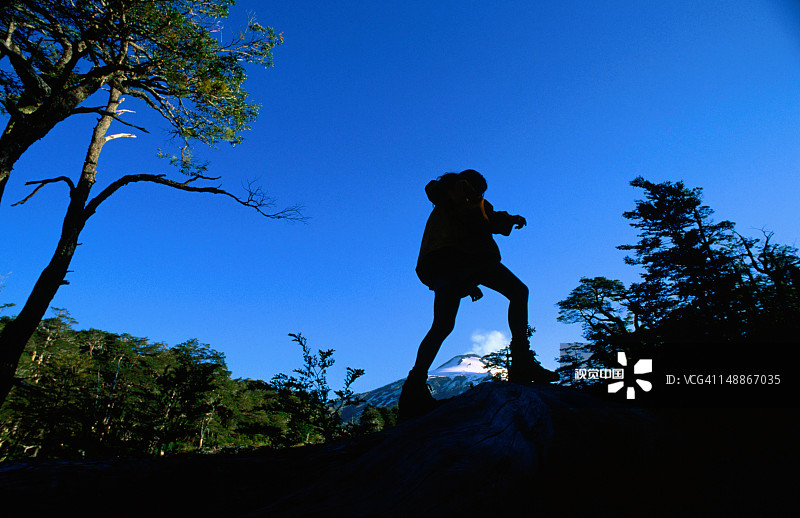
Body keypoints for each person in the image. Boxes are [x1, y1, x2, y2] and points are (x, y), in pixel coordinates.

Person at [399, 169, 558, 420]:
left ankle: (413, 389)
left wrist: (465, 281)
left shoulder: (448, 198)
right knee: (518, 292)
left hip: (444, 264)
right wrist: (507, 219)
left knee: (442, 325)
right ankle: (521, 362)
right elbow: (478, 222)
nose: (481, 194)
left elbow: (477, 221)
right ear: (474, 185)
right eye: (480, 190)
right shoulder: (463, 195)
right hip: (466, 258)